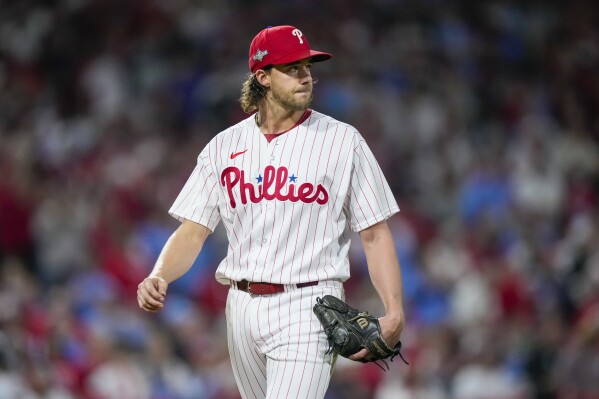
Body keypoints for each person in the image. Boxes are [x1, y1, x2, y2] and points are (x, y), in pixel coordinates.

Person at [137, 25, 406, 399]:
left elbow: (374, 233)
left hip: (310, 305)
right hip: (241, 306)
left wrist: (394, 310)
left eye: (308, 67)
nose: (306, 76)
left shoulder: (343, 141)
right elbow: (193, 230)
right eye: (292, 68)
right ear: (262, 76)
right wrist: (160, 274)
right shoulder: (223, 147)